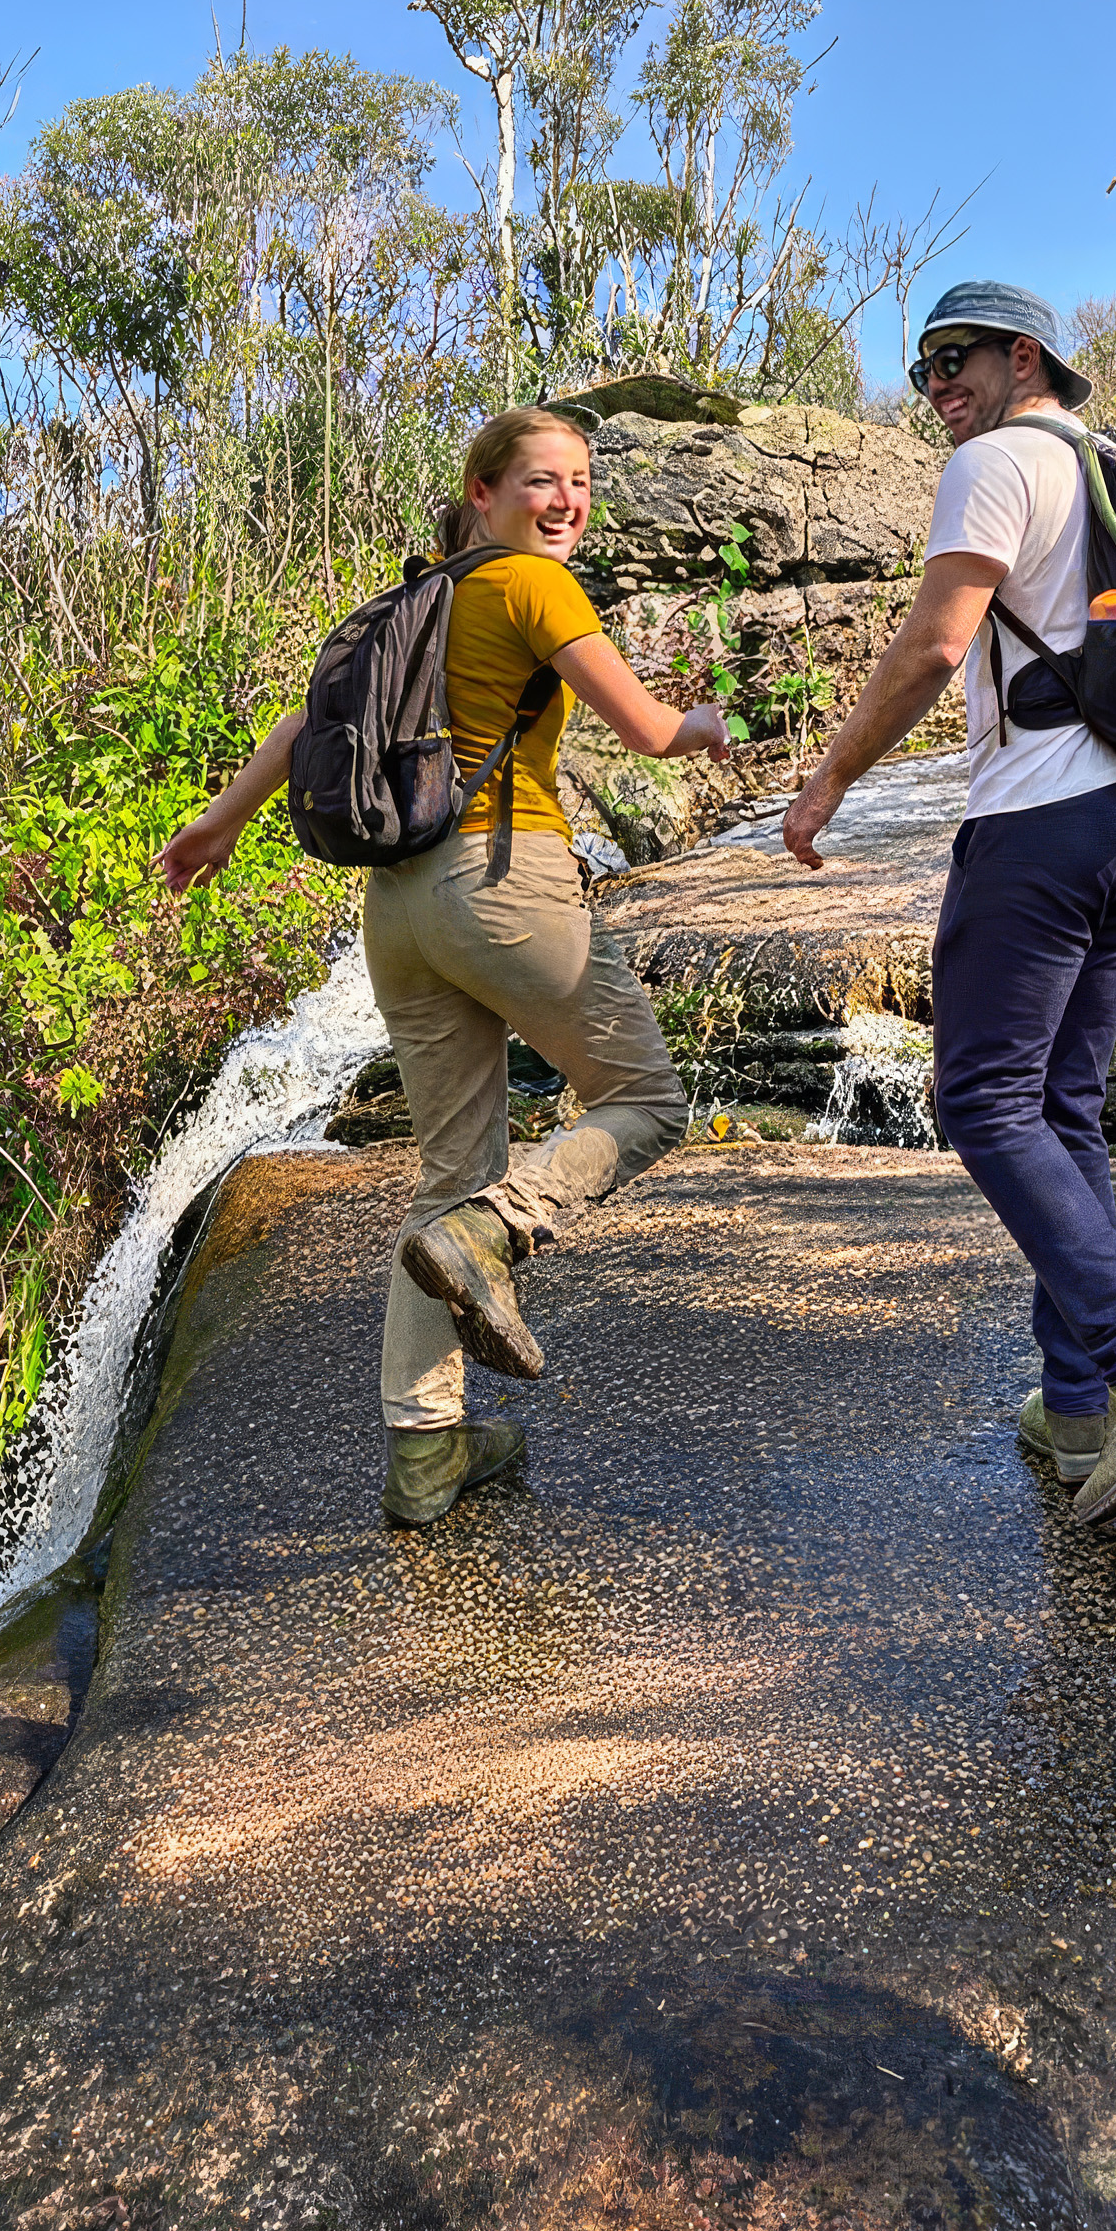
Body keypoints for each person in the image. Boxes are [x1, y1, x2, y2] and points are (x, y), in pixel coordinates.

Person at [780, 281, 1116, 1525]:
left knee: (976, 1098)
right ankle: (1077, 1408)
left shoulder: (998, 465)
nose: (936, 389)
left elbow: (930, 645)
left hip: (1041, 824)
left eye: (952, 360)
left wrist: (828, 782)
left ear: (1025, 356)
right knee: (1059, 1104)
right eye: (922, 372)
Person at [154, 405, 733, 1528]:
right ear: (483, 492)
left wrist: (221, 823)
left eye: (578, 481)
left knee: (444, 1169)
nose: (564, 500)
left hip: (397, 910)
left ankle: (427, 1451)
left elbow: (300, 725)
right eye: (538, 481)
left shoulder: (404, 600)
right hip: (500, 883)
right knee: (646, 1101)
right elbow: (646, 728)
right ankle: (493, 1233)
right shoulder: (530, 585)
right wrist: (698, 726)